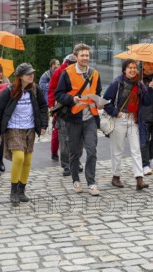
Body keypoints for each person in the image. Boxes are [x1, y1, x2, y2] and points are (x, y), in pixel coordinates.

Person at [0, 63, 48, 206]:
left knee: (28, 160)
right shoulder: (9, 91)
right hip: (13, 128)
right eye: (28, 74)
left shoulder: (35, 90)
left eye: (32, 73)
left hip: (30, 128)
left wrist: (43, 125)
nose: (31, 76)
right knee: (19, 157)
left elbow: (43, 107)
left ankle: (22, 190)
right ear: (20, 77)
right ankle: (13, 190)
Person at [55, 43, 102, 196]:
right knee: (74, 152)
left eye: (87, 55)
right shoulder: (66, 73)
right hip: (73, 119)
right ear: (76, 57)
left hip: (90, 119)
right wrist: (72, 99)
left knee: (92, 151)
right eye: (82, 55)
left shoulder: (95, 74)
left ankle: (91, 182)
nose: (85, 58)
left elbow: (98, 91)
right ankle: (75, 179)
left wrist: (99, 102)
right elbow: (58, 94)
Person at [103, 59, 153, 190]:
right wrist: (115, 113)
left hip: (134, 120)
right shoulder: (117, 83)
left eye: (134, 67)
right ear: (124, 70)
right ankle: (116, 177)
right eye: (130, 67)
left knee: (136, 149)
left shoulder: (140, 84)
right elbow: (105, 101)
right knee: (117, 150)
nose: (133, 70)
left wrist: (151, 89)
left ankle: (139, 179)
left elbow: (147, 102)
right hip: (119, 119)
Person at [48, 54, 82, 177]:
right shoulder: (60, 72)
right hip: (63, 109)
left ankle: (76, 162)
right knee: (64, 139)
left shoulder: (84, 71)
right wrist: (52, 105)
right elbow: (52, 89)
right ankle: (66, 165)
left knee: (78, 140)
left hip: (79, 109)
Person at [39, 58, 60, 161]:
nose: (58, 66)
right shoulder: (46, 75)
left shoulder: (61, 73)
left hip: (59, 102)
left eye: (59, 64)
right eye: (56, 65)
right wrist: (52, 84)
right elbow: (41, 86)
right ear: (52, 66)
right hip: (49, 101)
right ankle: (46, 126)